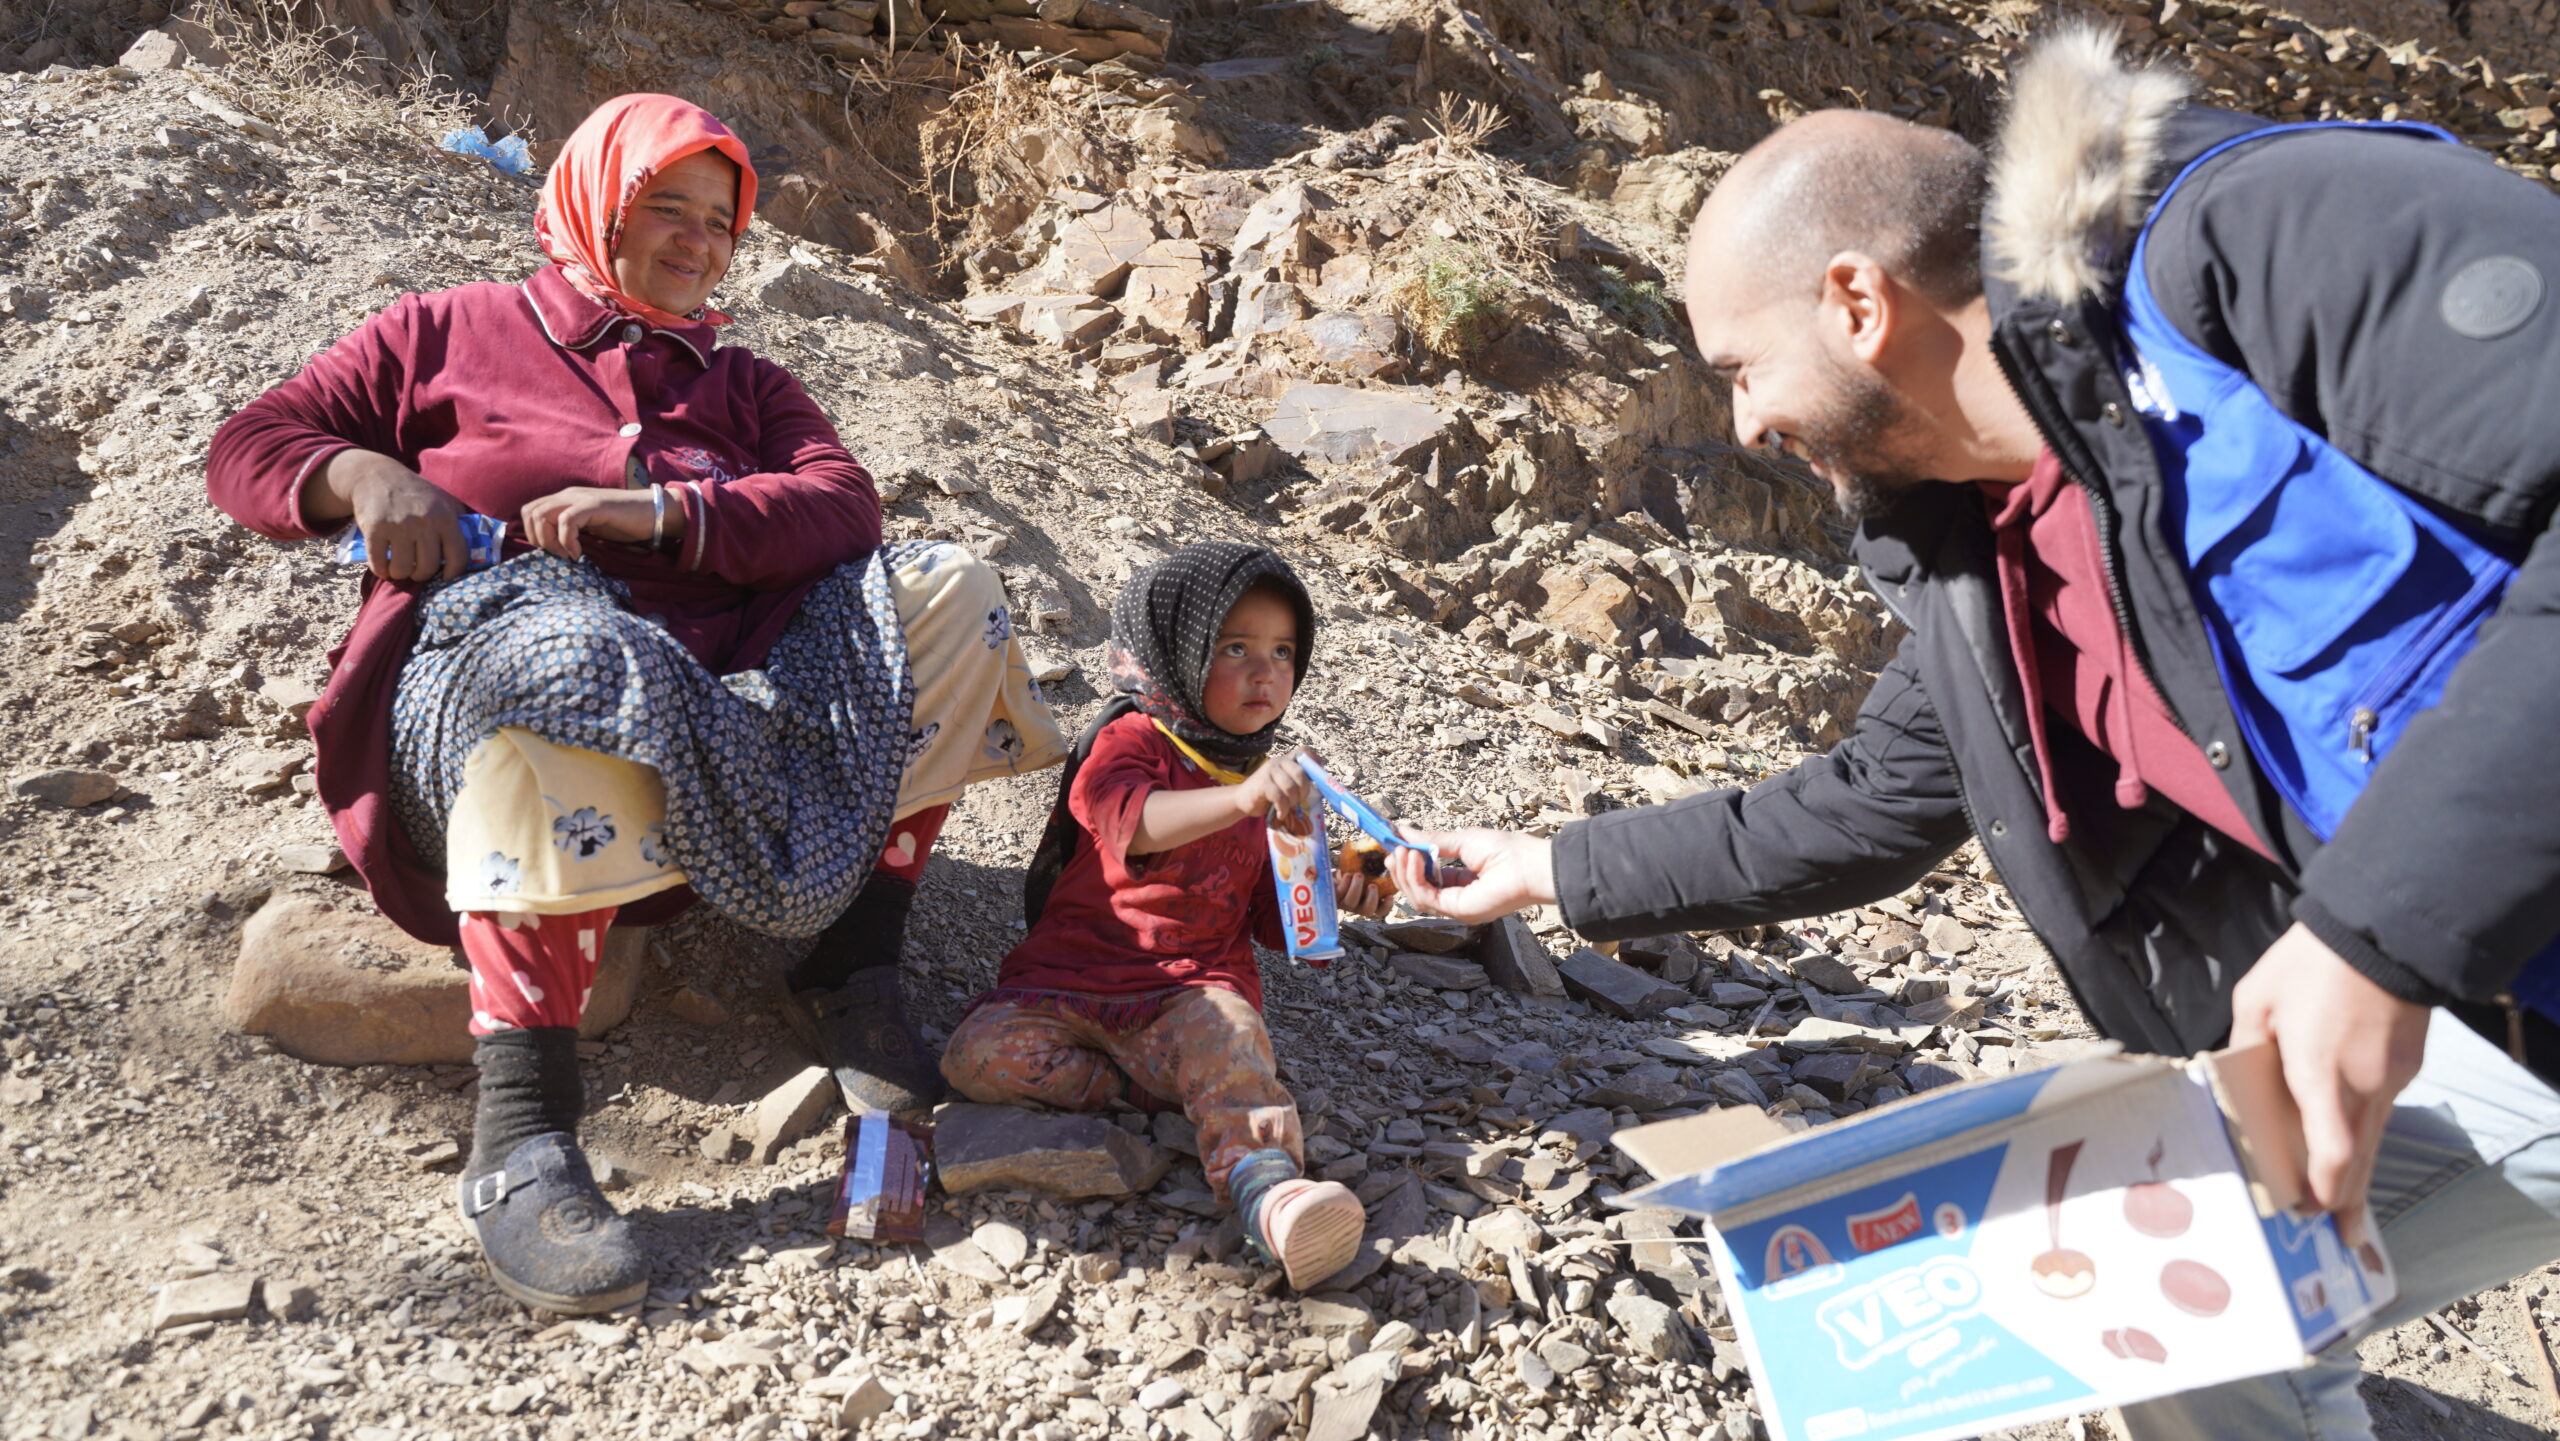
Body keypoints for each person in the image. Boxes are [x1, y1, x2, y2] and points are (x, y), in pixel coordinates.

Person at [1388, 26, 2560, 1439]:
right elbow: (1869, 798)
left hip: (2434, 959)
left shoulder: (2267, 235)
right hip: (2509, 1011)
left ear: (1856, 300)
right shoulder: (1979, 557)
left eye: (1741, 366)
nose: (1746, 420)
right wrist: (1544, 868)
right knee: (2168, 1308)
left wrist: (2378, 936)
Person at [206, 94, 1068, 1314]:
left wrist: (665, 516)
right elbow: (250, 444)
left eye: (721, 221)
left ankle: (852, 959)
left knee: (946, 593)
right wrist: (356, 473)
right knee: (568, 652)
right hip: (498, 671)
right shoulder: (442, 333)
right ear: (593, 200)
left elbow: (841, 503)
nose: (699, 240)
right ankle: (522, 1131)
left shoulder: (744, 381)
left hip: (730, 685)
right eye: (667, 204)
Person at [940, 542, 1387, 1290]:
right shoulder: (1129, 739)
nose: (1265, 670)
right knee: (975, 1054)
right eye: (1234, 647)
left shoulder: (1278, 781)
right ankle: (1144, 1089)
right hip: (1068, 987)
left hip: (1190, 989)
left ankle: (1271, 1194)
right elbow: (1131, 820)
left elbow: (1280, 919)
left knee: (1233, 1033)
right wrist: (1241, 800)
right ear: (1176, 651)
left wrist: (1343, 894)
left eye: (1282, 651)